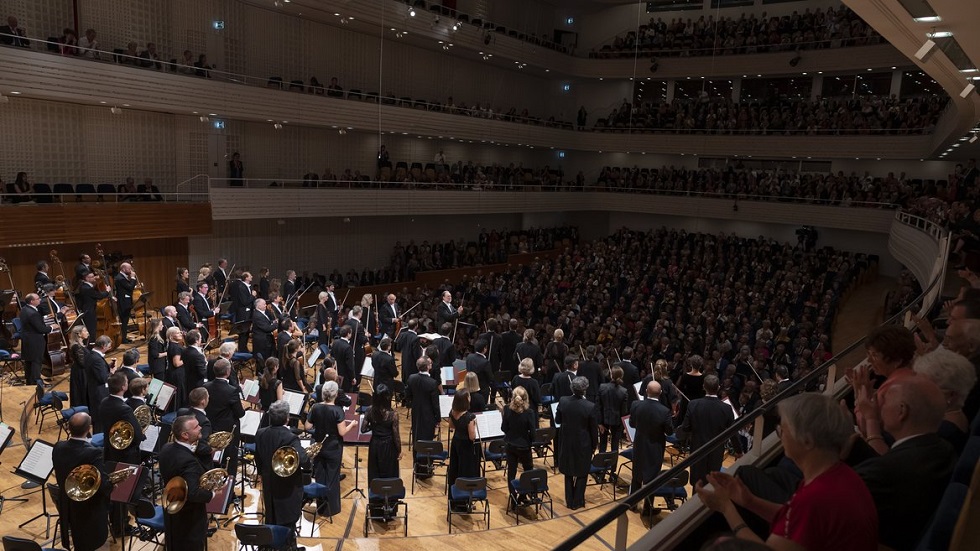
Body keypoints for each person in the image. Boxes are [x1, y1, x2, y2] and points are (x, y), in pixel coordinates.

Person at [696, 393, 878, 551]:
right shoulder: (842, 474)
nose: (780, 434)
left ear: (807, 441)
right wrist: (750, 501)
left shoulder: (814, 499)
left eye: (783, 429)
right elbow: (799, 522)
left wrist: (726, 508)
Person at [53, 412, 111, 551]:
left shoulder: (58, 447)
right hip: (88, 511)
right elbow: (102, 486)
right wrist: (112, 484)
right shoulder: (93, 453)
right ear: (89, 429)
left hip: (67, 507)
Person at [159, 415, 215, 551]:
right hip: (189, 519)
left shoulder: (166, 448)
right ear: (185, 435)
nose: (200, 427)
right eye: (196, 427)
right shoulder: (188, 461)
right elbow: (193, 493)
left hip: (171, 511)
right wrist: (212, 494)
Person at [101, 371, 145, 536]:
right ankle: (121, 527)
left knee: (114, 489)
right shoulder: (124, 408)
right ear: (123, 387)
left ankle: (116, 522)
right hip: (126, 455)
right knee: (123, 492)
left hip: (109, 452)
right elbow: (138, 435)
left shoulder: (105, 402)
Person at [676, 374, 741, 486]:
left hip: (697, 450)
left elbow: (686, 427)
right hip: (716, 452)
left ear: (703, 387)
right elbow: (733, 432)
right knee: (712, 484)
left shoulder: (693, 404)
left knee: (697, 485)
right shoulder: (726, 408)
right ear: (719, 387)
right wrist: (739, 451)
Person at [255, 400, 309, 531]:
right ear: (287, 418)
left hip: (268, 483)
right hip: (287, 487)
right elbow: (303, 459)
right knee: (287, 520)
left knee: (271, 515)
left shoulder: (261, 433)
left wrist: (262, 473)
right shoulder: (290, 437)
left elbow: (258, 457)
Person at [307, 381, 358, 515]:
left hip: (318, 446)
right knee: (332, 477)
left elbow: (307, 426)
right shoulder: (337, 410)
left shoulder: (316, 407)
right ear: (335, 395)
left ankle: (321, 507)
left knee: (320, 475)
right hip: (333, 448)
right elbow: (342, 432)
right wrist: (352, 424)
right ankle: (331, 509)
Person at [913, 348, 977, 453]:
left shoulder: (943, 433)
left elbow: (896, 465)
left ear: (951, 395)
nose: (915, 391)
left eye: (924, 386)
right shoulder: (952, 417)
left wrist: (875, 431)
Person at [629, 381, 674, 510]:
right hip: (655, 447)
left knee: (636, 475)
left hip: (639, 444)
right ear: (660, 393)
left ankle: (632, 504)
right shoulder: (664, 411)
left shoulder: (636, 405)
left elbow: (632, 424)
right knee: (652, 477)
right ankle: (648, 508)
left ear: (646, 391)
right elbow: (669, 431)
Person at [555, 376, 598, 510]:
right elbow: (593, 429)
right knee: (582, 472)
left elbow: (558, 420)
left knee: (568, 472)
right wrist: (594, 445)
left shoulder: (563, 401)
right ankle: (578, 501)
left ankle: (569, 501)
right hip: (583, 443)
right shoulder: (590, 406)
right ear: (585, 389)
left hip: (566, 441)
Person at [204, 359, 246, 477]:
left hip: (211, 427)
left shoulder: (205, 386)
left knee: (213, 458)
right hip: (227, 432)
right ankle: (229, 491)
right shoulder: (231, 391)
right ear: (228, 372)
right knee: (229, 460)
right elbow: (240, 413)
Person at [502, 386, 537, 503]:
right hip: (524, 446)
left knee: (511, 472)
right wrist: (530, 441)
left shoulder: (507, 409)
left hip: (510, 445)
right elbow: (533, 432)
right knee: (528, 471)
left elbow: (503, 428)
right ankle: (523, 496)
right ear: (526, 398)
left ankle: (513, 500)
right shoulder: (529, 412)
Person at [405, 357, 440, 472]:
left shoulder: (411, 378)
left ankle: (416, 465)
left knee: (416, 437)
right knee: (427, 441)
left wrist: (413, 404)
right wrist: (438, 418)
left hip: (416, 413)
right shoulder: (432, 383)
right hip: (428, 416)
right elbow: (435, 404)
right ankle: (426, 467)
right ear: (428, 367)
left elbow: (407, 396)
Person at [447, 389, 480, 509]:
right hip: (467, 446)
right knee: (466, 471)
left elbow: (451, 426)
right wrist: (475, 426)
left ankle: (455, 499)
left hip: (456, 443)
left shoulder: (452, 412)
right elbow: (472, 437)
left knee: (455, 469)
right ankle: (465, 501)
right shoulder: (469, 417)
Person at [363, 384, 401, 482]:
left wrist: (374, 425)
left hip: (375, 444)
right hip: (389, 446)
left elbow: (363, 429)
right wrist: (399, 450)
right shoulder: (393, 414)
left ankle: (375, 495)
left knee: (375, 472)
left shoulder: (369, 410)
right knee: (389, 472)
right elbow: (396, 435)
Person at [18, 293, 51, 384]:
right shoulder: (33, 313)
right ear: (32, 301)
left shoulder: (24, 310)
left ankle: (29, 381)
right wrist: (52, 328)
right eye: (37, 298)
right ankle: (36, 381)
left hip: (27, 339)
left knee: (29, 361)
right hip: (35, 340)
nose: (39, 299)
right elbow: (40, 329)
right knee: (36, 361)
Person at [86, 336, 115, 432]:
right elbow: (102, 378)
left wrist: (107, 367)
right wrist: (111, 372)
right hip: (99, 394)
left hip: (94, 391)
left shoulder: (92, 354)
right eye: (109, 347)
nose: (109, 348)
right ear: (103, 346)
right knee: (100, 424)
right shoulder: (97, 359)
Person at [598, 365, 628, 453]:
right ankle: (613, 467)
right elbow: (624, 411)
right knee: (615, 446)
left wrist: (599, 423)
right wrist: (623, 426)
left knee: (603, 444)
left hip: (603, 420)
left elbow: (598, 407)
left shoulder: (602, 387)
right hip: (617, 421)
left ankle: (601, 466)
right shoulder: (624, 391)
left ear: (611, 375)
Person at [75, 271, 111, 343]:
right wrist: (107, 291)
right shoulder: (87, 288)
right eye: (92, 277)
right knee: (91, 331)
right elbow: (99, 296)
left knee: (90, 331)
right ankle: (90, 348)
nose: (94, 278)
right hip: (89, 313)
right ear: (87, 278)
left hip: (88, 311)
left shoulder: (85, 286)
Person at [114, 262, 138, 343]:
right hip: (123, 303)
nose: (130, 270)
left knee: (125, 321)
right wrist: (133, 278)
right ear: (123, 269)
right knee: (124, 321)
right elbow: (130, 287)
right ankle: (123, 339)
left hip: (126, 302)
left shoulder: (123, 277)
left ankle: (124, 337)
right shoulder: (120, 278)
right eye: (129, 268)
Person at [68, 325, 90, 408]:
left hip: (81, 371)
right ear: (79, 334)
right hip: (80, 373)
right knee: (81, 392)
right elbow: (82, 363)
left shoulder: (80, 345)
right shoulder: (76, 347)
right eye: (85, 331)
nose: (87, 332)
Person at [182, 330, 207, 400]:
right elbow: (202, 372)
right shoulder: (198, 355)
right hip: (198, 384)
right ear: (196, 340)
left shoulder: (184, 351)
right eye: (200, 338)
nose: (201, 340)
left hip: (188, 381)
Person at [165, 327, 186, 411]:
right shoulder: (175, 347)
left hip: (174, 373)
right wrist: (187, 358)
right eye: (177, 333)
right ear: (171, 336)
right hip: (177, 374)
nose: (180, 334)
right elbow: (176, 363)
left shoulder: (173, 345)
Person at [395, 318, 421, 384]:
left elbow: (398, 347)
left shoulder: (402, 334)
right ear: (416, 326)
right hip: (412, 363)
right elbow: (416, 354)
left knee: (404, 377)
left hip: (404, 359)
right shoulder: (416, 338)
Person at [331, 325, 355, 392]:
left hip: (336, 372)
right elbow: (350, 365)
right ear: (348, 334)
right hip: (345, 376)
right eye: (351, 333)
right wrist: (353, 377)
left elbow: (332, 355)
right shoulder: (348, 347)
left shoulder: (335, 342)